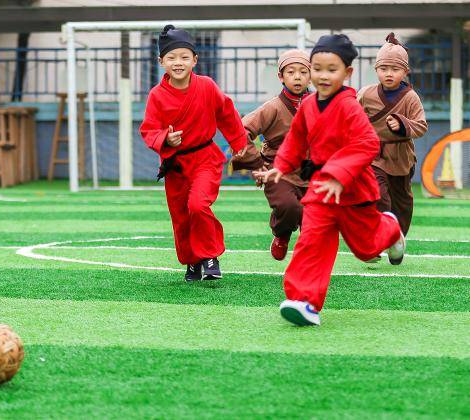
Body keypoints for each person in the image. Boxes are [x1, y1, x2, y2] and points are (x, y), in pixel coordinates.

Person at [254, 34, 404, 326]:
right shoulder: (308, 105)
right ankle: (304, 302)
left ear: (347, 73)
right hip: (321, 189)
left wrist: (339, 174)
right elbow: (296, 140)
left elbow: (367, 144)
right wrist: (280, 167)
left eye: (331, 69)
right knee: (311, 242)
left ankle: (390, 228)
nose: (323, 75)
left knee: (366, 249)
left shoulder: (349, 107)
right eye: (317, 68)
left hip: (353, 190)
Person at [140, 25, 246, 282]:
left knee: (198, 205)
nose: (178, 62)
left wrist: (239, 141)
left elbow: (227, 112)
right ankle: (191, 262)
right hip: (175, 164)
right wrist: (166, 138)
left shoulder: (207, 86)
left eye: (184, 57)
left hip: (205, 158)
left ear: (195, 60)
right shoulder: (156, 95)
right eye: (171, 57)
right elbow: (148, 130)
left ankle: (210, 256)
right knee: (181, 216)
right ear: (161, 61)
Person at [232, 49, 312, 260]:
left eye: (303, 72)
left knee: (313, 221)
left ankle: (308, 269)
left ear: (311, 75)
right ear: (281, 77)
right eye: (291, 72)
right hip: (277, 169)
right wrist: (256, 163)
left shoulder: (321, 104)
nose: (297, 76)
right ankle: (281, 234)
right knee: (289, 206)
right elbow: (240, 131)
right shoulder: (272, 107)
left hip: (311, 170)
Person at [357, 33, 427, 237]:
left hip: (401, 157)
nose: (389, 74)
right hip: (374, 155)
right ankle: (376, 235)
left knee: (402, 203)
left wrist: (403, 124)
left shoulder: (411, 98)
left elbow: (421, 126)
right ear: (376, 69)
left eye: (395, 69)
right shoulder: (365, 94)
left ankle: (396, 239)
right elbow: (351, 118)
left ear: (405, 71)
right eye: (383, 69)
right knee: (379, 197)